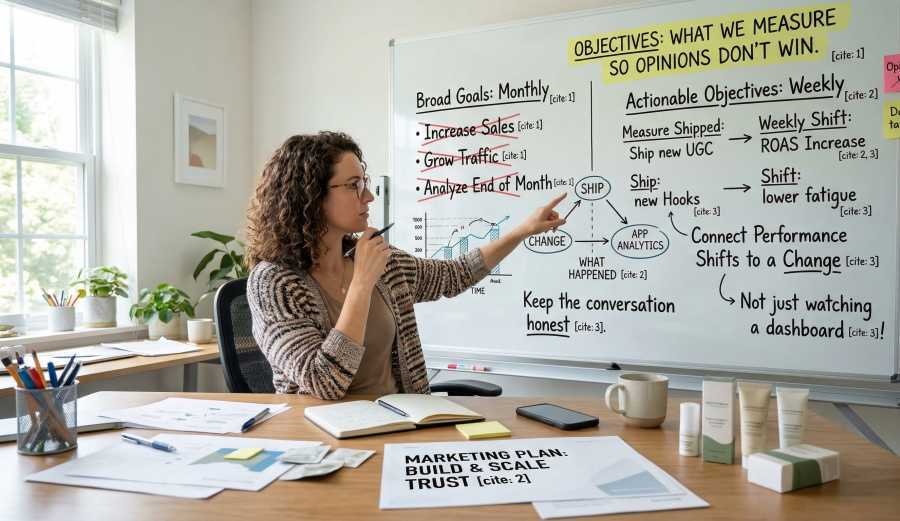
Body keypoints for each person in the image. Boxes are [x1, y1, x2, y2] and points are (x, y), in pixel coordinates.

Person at [245, 131, 567, 399]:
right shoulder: (275, 283)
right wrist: (361, 284)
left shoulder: (378, 261)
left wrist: (524, 230)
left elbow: (454, 275)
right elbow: (323, 381)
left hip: (401, 426)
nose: (368, 196)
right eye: (353, 184)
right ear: (311, 195)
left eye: (364, 182)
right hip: (325, 441)